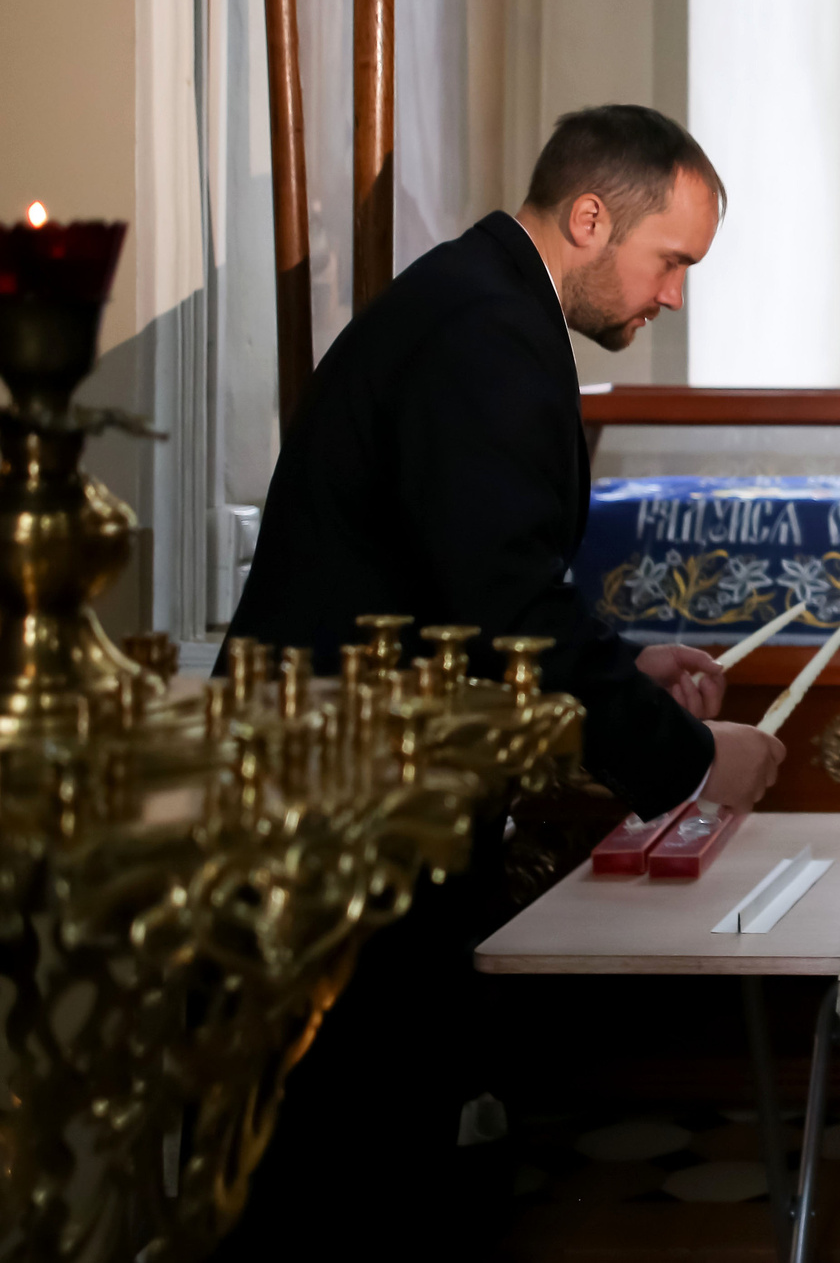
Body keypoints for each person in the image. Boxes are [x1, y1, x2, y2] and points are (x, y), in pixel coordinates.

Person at [218, 104, 786, 1255]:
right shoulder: (486, 332)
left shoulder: (478, 304)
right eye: (669, 258)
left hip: (360, 781)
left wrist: (624, 665)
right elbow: (505, 612)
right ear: (590, 216)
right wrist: (688, 760)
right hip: (343, 804)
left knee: (368, 1139)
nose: (673, 294)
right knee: (338, 1156)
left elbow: (460, 582)